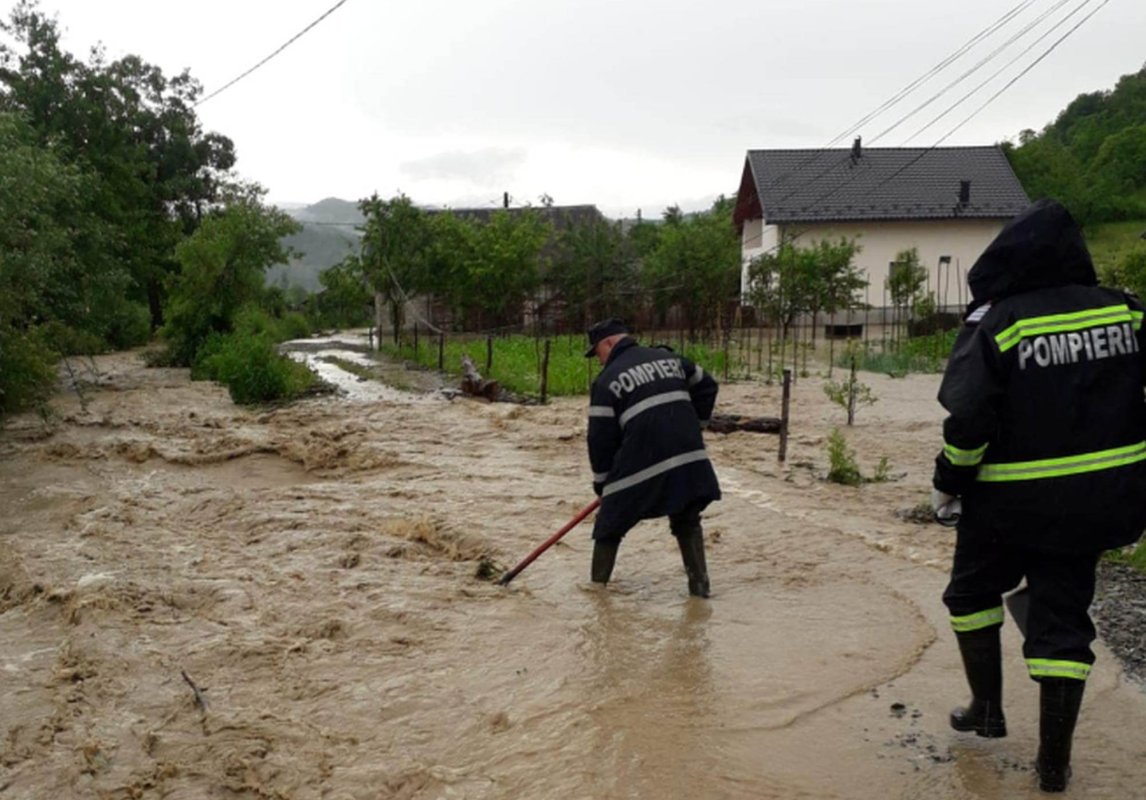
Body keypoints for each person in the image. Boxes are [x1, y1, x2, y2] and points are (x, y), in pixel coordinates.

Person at [931, 198, 1146, 793]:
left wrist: (949, 481)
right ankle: (1054, 769)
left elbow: (969, 420)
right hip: (1100, 505)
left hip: (1007, 505)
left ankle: (988, 710)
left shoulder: (1002, 321)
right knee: (1063, 624)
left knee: (971, 593)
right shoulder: (1126, 314)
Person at [583, 318, 721, 597]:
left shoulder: (607, 381)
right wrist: (697, 425)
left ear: (609, 343)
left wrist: (603, 486)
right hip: (689, 460)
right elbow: (707, 385)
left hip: (642, 464)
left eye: (596, 352)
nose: (598, 361)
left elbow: (599, 440)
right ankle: (700, 591)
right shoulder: (669, 358)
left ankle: (597, 598)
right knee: (687, 518)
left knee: (608, 526)